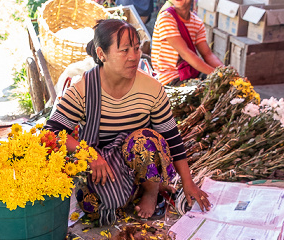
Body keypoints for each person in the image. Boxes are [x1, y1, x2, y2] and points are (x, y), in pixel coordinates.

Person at [45, 19, 211, 225]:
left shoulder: (151, 88)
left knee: (144, 139)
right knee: (92, 208)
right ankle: (136, 190)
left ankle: (151, 191)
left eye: (136, 48)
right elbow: (50, 134)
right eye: (124, 50)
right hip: (104, 164)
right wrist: (89, 154)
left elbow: (171, 137)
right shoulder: (83, 90)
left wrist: (188, 182)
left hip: (140, 157)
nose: (133, 57)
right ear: (101, 54)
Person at [151, 0, 224, 86]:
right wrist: (218, 75)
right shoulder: (166, 18)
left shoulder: (197, 22)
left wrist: (225, 71)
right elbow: (185, 53)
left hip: (189, 74)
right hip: (169, 79)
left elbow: (208, 54)